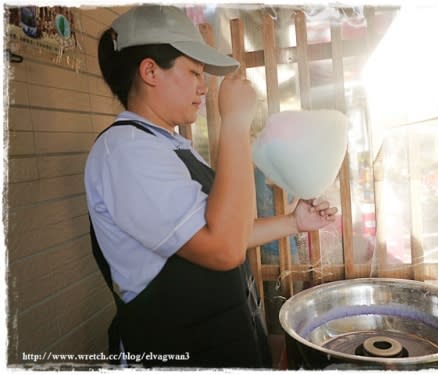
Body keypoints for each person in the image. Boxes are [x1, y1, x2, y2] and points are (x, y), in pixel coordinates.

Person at [84, 4, 337, 369]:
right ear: (150, 71)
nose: (204, 87)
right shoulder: (126, 152)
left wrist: (293, 222)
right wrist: (234, 121)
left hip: (222, 344)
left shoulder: (168, 145)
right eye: (193, 72)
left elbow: (223, 231)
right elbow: (222, 249)